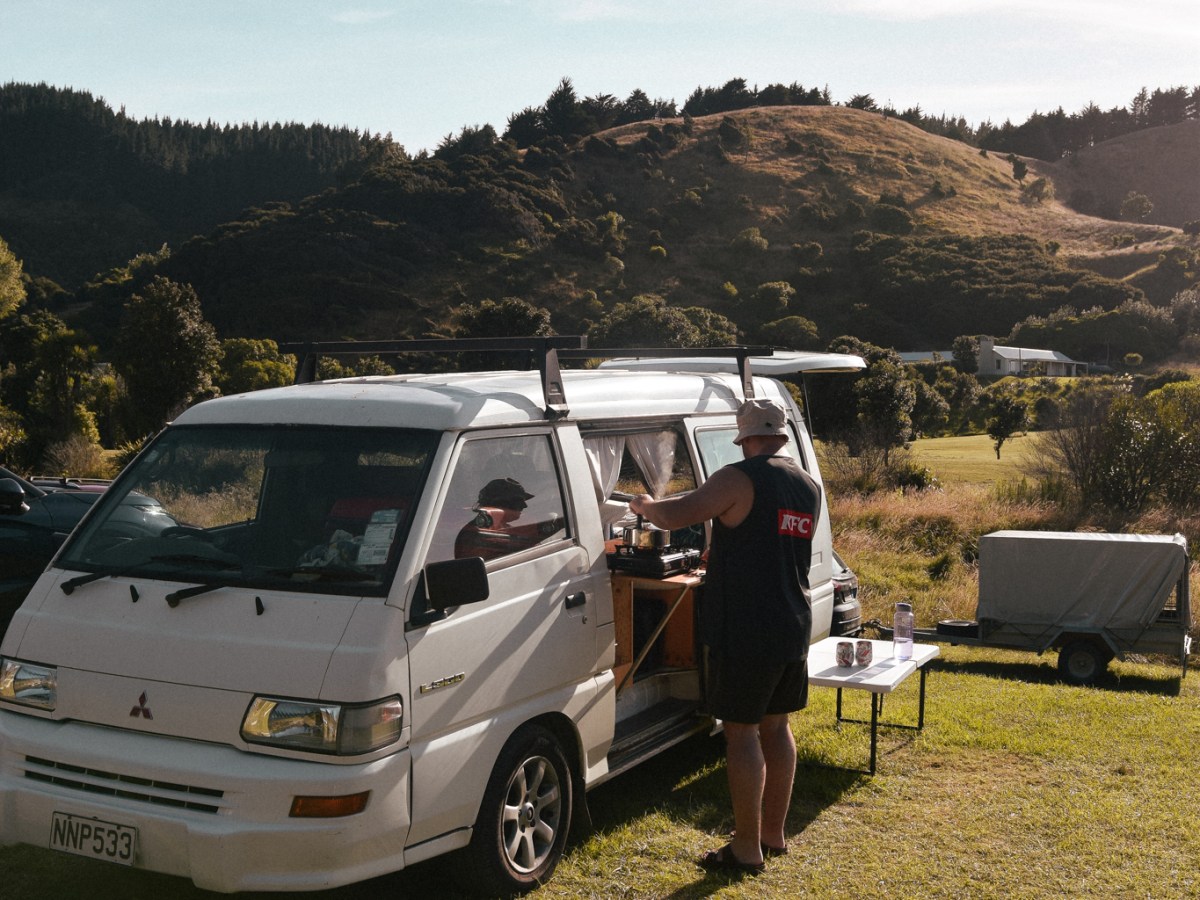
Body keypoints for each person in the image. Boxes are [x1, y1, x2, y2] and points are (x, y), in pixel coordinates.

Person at [629, 397, 820, 874]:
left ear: (746, 437)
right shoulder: (807, 485)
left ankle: (745, 849)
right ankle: (773, 835)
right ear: (780, 435)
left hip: (747, 626)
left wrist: (645, 505)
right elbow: (770, 544)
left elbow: (677, 516)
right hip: (792, 620)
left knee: (741, 734)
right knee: (777, 727)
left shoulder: (738, 477)